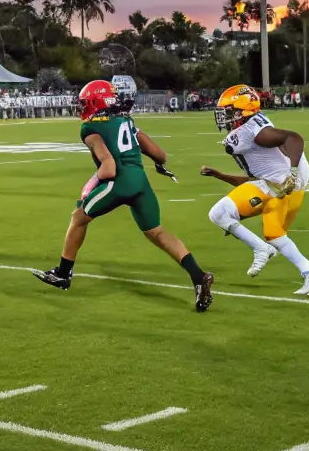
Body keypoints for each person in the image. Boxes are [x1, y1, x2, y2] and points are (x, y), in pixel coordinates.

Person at [31, 80, 214, 312]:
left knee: (78, 218)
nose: (82, 108)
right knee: (157, 232)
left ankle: (63, 273)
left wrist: (91, 183)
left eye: (86, 103)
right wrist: (156, 164)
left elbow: (109, 169)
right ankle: (199, 276)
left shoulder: (90, 128)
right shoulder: (127, 121)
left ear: (97, 102)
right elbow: (161, 155)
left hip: (119, 182)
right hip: (140, 182)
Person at [200, 84, 309, 296]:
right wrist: (220, 176)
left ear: (244, 109)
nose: (224, 116)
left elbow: (294, 138)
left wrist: (293, 172)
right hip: (283, 188)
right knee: (275, 235)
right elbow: (253, 180)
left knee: (219, 213)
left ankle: (261, 249)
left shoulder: (254, 131)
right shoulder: (252, 128)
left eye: (229, 111)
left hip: (280, 186)